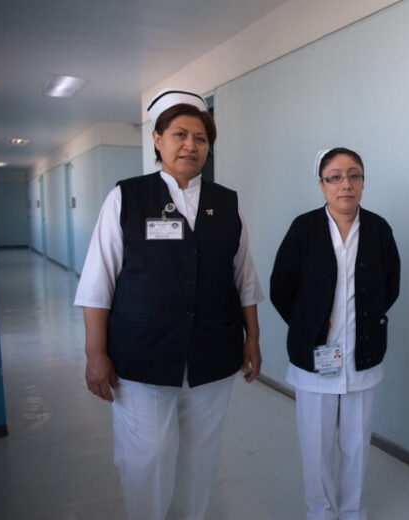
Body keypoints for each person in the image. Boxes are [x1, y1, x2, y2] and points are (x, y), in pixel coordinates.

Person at [74, 88, 263, 520]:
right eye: (179, 134)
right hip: (142, 352)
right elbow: (98, 282)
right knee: (148, 456)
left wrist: (252, 338)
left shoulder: (226, 204)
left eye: (200, 138)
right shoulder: (126, 198)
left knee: (200, 455)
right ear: (157, 140)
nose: (190, 146)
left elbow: (244, 278)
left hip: (212, 351)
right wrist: (94, 352)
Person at [270, 147, 400, 520]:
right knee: (316, 445)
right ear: (322, 184)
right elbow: (281, 286)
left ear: (363, 182)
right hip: (316, 356)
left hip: (363, 354)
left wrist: (365, 323)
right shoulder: (304, 228)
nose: (346, 184)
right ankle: (321, 512)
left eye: (354, 175)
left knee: (356, 444)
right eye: (336, 177)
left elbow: (390, 286)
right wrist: (308, 324)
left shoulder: (378, 229)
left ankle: (352, 511)